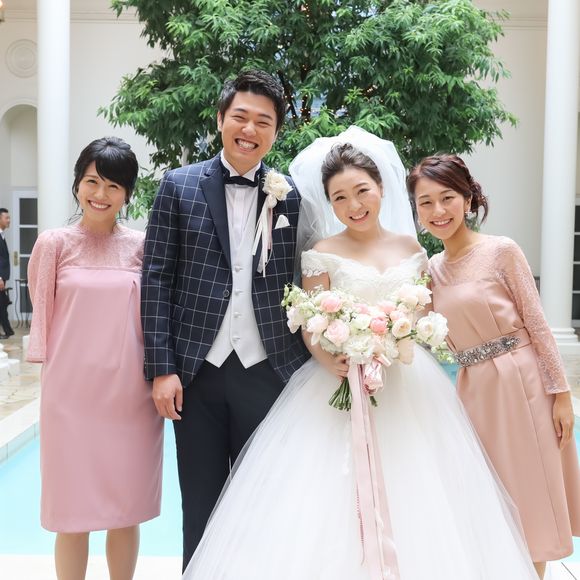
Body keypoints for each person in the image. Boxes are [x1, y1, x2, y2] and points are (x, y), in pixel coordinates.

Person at [181, 127, 538, 580]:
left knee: (419, 488)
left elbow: (424, 312)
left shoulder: (413, 249)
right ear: (329, 204)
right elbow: (310, 319)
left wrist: (397, 339)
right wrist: (329, 356)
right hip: (338, 381)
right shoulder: (322, 252)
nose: (354, 205)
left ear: (381, 188)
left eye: (362, 191)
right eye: (340, 197)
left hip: (406, 384)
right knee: (328, 499)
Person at [141, 69, 310, 569]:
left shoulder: (289, 194)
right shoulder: (178, 185)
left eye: (264, 121)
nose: (250, 129)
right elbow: (156, 278)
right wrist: (162, 368)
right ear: (220, 119)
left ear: (276, 131)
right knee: (201, 506)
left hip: (270, 370)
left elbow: (302, 277)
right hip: (197, 374)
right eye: (240, 116)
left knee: (266, 505)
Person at [408, 154, 580, 579]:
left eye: (447, 197)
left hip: (522, 382)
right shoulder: (429, 271)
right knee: (489, 495)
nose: (437, 210)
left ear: (468, 199)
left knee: (529, 493)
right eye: (425, 202)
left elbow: (538, 323)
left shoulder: (501, 251)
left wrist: (561, 394)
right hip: (472, 391)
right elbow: (417, 329)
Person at [27, 137, 163, 580]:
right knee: (71, 513)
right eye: (92, 182)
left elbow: (156, 316)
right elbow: (42, 315)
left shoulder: (143, 247)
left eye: (113, 186)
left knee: (126, 509)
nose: (100, 194)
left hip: (131, 397)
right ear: (77, 184)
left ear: (127, 194)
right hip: (70, 398)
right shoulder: (53, 244)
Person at [0, 208, 14, 338]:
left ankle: (8, 330)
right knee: (2, 304)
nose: (9, 220)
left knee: (3, 303)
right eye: (6, 218)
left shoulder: (2, 235)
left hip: (2, 277)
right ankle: (8, 330)